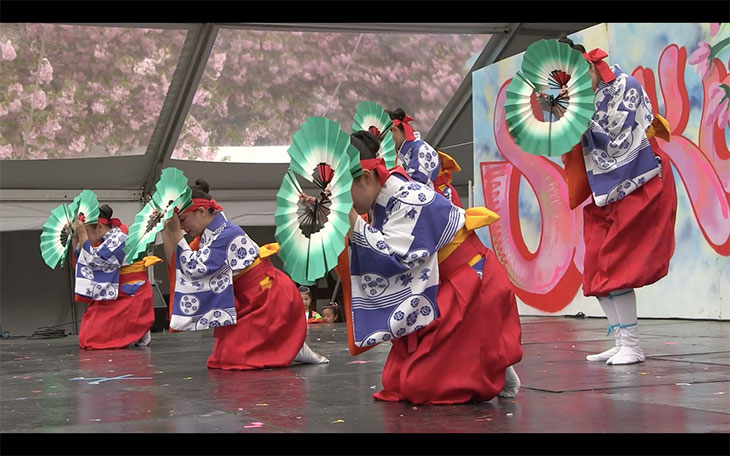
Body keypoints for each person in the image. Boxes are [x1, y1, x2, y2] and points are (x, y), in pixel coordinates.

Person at [346, 130, 523, 405]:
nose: (347, 202)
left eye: (347, 191)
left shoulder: (406, 197)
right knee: (394, 381)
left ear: (367, 177)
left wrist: (359, 228)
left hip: (469, 284)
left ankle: (493, 361)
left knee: (422, 386)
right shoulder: (383, 194)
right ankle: (488, 358)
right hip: (442, 283)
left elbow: (396, 259)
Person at [545, 36, 678, 365]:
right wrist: (562, 112)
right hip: (605, 188)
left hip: (640, 181)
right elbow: (571, 141)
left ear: (588, 64)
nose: (569, 84)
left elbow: (617, 142)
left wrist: (574, 113)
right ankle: (620, 338)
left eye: (573, 76)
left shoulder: (625, 86)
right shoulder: (578, 99)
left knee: (617, 265)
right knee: (596, 269)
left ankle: (633, 344)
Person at [161, 179, 328, 369]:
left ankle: (294, 346)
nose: (182, 227)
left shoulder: (225, 234)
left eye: (183, 220)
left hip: (268, 297)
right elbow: (179, 262)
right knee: (221, 358)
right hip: (253, 297)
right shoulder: (208, 235)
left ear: (201, 212)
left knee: (236, 358)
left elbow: (191, 267)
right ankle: (290, 345)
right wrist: (167, 230)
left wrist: (173, 231)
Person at [71, 204, 160, 349]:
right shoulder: (104, 240)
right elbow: (83, 258)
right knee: (87, 337)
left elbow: (94, 261)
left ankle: (139, 327)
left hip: (130, 292)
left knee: (93, 340)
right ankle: (136, 328)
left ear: (99, 227)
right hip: (115, 290)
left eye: (87, 231)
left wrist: (82, 236)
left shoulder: (119, 239)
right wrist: (76, 236)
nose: (85, 236)